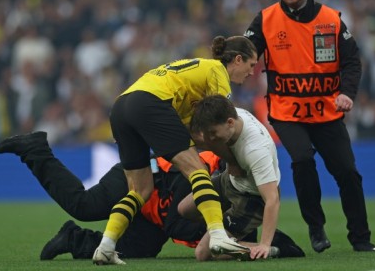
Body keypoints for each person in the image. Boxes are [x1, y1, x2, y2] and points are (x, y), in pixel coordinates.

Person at [243, 0, 375, 252]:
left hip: (327, 112)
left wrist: (347, 92)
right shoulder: (265, 19)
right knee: (302, 159)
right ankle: (316, 228)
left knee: (347, 172)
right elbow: (245, 51)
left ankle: (361, 238)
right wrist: (234, 63)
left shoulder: (330, 19)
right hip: (286, 112)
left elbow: (352, 62)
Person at [92, 35, 258, 265]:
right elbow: (222, 120)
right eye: (251, 65)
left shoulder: (192, 82)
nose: (252, 73)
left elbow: (191, 132)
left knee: (140, 190)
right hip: (151, 103)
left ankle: (106, 246)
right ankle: (219, 236)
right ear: (238, 59)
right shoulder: (217, 70)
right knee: (198, 170)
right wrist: (235, 158)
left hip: (122, 107)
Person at [0, 131, 222, 259]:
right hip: (141, 175)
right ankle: (35, 150)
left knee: (133, 253)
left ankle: (74, 238)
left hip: (154, 214)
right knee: (84, 206)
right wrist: (217, 232)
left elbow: (242, 237)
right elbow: (176, 225)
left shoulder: (233, 191)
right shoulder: (200, 173)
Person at [179, 94, 294, 261]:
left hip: (251, 199)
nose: (210, 138)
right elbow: (207, 139)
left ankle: (279, 248)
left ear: (230, 123)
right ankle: (227, 235)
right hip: (231, 180)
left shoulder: (256, 150)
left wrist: (265, 243)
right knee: (185, 209)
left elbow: (272, 199)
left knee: (203, 253)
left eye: (212, 133)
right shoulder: (228, 116)